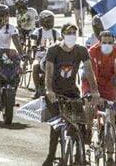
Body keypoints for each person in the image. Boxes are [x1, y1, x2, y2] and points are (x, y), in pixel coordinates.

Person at [43, 23, 100, 166]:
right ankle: (50, 156)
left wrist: (94, 91)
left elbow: (89, 71)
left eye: (74, 33)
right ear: (62, 34)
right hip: (55, 93)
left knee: (79, 124)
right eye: (69, 33)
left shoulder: (81, 50)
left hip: (72, 92)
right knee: (56, 126)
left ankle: (79, 155)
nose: (72, 36)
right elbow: (49, 72)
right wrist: (49, 90)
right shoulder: (53, 50)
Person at [82, 30, 116, 153]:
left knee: (112, 110)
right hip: (91, 82)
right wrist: (95, 95)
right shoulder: (92, 52)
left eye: (110, 42)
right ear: (99, 43)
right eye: (104, 42)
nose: (107, 44)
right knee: (90, 104)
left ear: (114, 43)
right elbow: (91, 76)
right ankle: (88, 130)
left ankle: (107, 134)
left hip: (109, 84)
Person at [31, 10, 61, 98]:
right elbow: (33, 41)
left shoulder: (56, 32)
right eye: (47, 21)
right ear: (42, 21)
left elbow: (60, 41)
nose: (49, 23)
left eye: (51, 21)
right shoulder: (38, 31)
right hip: (40, 55)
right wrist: (34, 46)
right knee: (35, 66)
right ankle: (37, 90)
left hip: (53, 56)